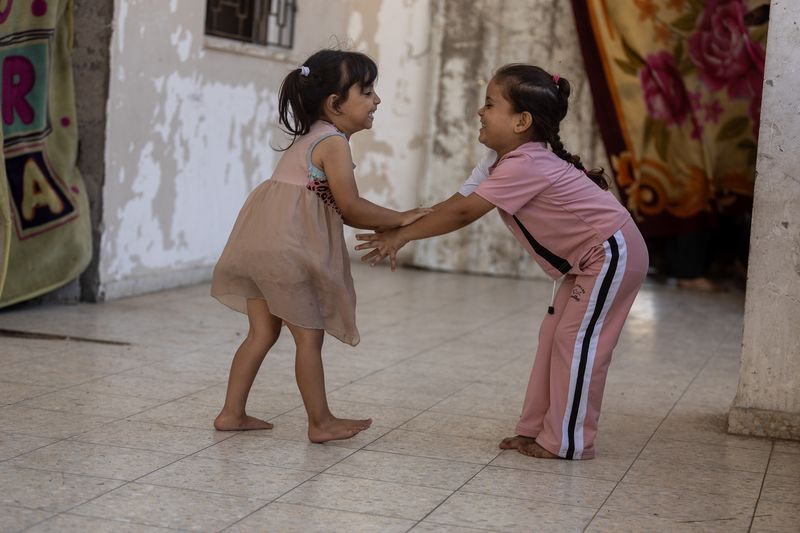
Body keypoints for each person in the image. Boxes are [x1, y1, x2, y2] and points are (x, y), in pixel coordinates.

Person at [356, 64, 648, 459]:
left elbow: (463, 215)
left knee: (574, 341)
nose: (480, 111)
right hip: (591, 260)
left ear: (522, 121)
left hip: (612, 253)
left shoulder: (527, 163)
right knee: (553, 337)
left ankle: (566, 441)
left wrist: (403, 235)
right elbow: (455, 203)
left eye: (490, 104)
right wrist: (400, 223)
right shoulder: (500, 162)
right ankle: (534, 430)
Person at [210, 49, 431, 443]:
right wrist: (401, 217)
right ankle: (320, 421)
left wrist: (390, 225)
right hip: (288, 248)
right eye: (366, 91)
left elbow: (336, 209)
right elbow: (351, 206)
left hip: (260, 242)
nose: (376, 100)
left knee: (261, 333)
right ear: (334, 103)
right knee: (309, 337)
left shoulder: (311, 138)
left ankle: (232, 413)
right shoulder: (333, 144)